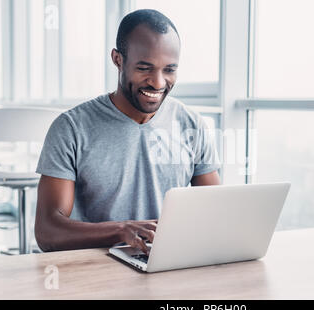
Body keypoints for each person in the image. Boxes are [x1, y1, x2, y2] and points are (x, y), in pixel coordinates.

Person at [34, 9, 221, 255]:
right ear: (117, 59)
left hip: (165, 266)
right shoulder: (71, 128)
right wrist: (121, 231)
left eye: (169, 70)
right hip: (94, 269)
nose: (158, 82)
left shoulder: (192, 125)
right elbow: (48, 232)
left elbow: (218, 215)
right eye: (145, 68)